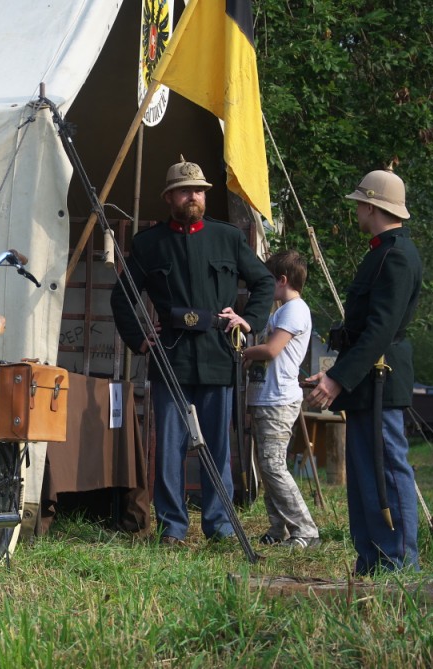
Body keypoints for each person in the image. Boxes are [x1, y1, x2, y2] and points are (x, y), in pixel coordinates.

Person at [110, 156, 274, 546]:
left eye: (199, 191)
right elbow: (122, 298)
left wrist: (248, 320)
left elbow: (264, 282)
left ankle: (218, 525)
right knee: (170, 446)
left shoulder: (228, 237)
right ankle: (173, 527)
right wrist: (140, 339)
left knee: (217, 445)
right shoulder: (149, 243)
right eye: (185, 191)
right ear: (169, 197)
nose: (194, 197)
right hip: (171, 357)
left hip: (218, 354)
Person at [305, 168, 422, 575]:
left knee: (387, 469)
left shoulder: (398, 256)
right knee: (364, 476)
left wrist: (337, 377)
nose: (356, 208)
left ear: (372, 206)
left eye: (359, 203)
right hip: (367, 378)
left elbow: (380, 329)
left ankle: (401, 565)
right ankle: (372, 559)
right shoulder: (382, 252)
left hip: (380, 378)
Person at [242, 250, 320, 549]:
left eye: (267, 281)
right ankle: (280, 529)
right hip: (267, 398)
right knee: (267, 466)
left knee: (273, 465)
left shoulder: (294, 310)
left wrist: (246, 352)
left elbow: (272, 350)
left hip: (278, 399)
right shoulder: (282, 311)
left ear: (281, 280)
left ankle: (305, 530)